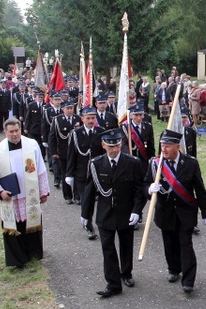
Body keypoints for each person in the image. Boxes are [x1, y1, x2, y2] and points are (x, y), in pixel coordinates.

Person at [81, 128, 147, 297]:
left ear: (121, 144)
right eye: (110, 146)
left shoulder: (132, 162)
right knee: (107, 249)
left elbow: (139, 190)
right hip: (105, 214)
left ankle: (126, 273)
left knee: (126, 245)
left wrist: (137, 211)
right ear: (103, 145)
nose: (114, 150)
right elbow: (89, 192)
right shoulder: (95, 164)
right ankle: (113, 283)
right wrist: (85, 215)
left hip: (126, 213)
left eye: (117, 145)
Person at [146, 130, 206, 293]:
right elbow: (143, 184)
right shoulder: (155, 164)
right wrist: (149, 189)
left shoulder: (190, 163)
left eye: (167, 146)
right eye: (162, 146)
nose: (164, 150)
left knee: (186, 244)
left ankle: (188, 280)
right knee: (170, 243)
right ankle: (174, 269)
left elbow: (200, 188)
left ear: (177, 146)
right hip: (165, 211)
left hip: (185, 212)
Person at [0, 118, 50, 268]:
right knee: (14, 227)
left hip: (29, 194)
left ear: (21, 129)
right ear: (5, 132)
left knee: (31, 223)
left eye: (17, 131)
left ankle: (34, 253)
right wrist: (0, 192)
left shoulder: (31, 145)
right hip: (10, 196)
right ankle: (17, 259)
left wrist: (43, 191)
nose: (15, 134)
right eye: (11, 131)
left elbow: (40, 170)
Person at [65, 107, 105, 238]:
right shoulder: (76, 134)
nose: (91, 121)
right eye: (88, 118)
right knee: (86, 200)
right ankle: (88, 224)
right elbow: (71, 155)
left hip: (99, 173)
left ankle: (102, 222)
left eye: (93, 118)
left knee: (101, 199)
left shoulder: (100, 132)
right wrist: (69, 174)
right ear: (82, 119)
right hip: (82, 174)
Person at [48, 101, 82, 204]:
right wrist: (53, 151)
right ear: (63, 109)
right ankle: (68, 196)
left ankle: (77, 196)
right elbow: (52, 136)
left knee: (77, 173)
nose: (70, 110)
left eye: (71, 108)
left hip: (76, 152)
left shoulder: (77, 119)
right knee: (65, 173)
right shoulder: (57, 120)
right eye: (67, 108)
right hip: (63, 152)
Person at [122, 105, 155, 173]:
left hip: (144, 161)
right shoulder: (125, 127)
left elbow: (151, 145)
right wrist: (129, 156)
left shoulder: (148, 126)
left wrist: (152, 159)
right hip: (131, 160)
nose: (139, 118)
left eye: (140, 115)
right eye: (136, 115)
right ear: (131, 116)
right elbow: (123, 144)